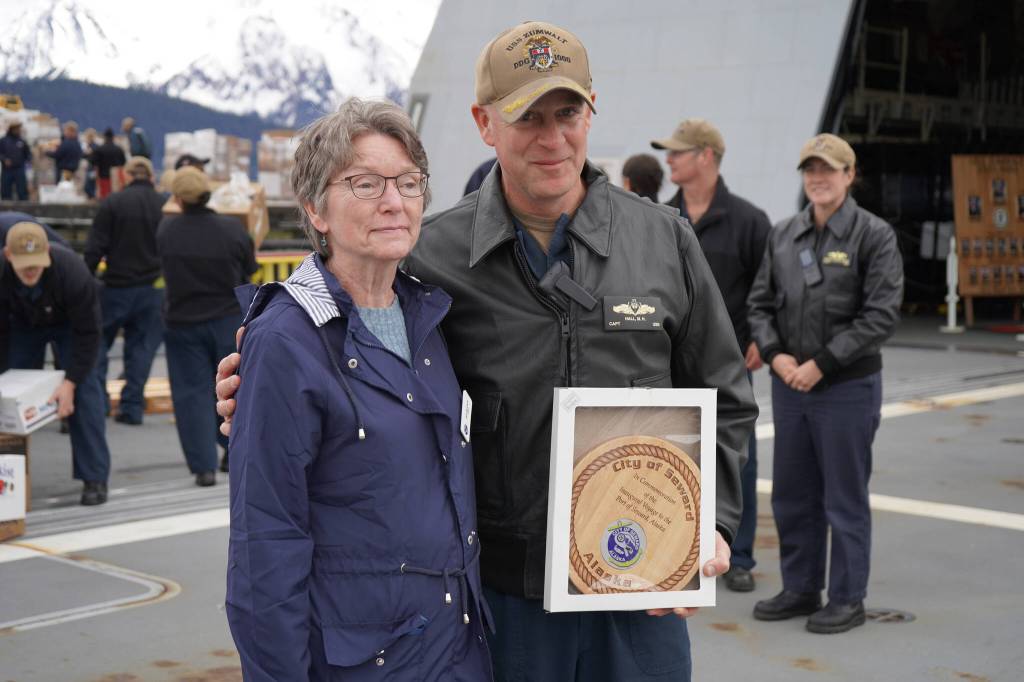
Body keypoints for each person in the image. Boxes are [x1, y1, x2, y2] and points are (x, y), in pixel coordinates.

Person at [219, 21, 755, 682]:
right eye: (526, 116)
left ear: (593, 110)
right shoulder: (434, 254)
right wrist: (253, 377)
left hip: (644, 591)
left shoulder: (664, 240)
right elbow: (341, 329)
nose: (551, 137)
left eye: (568, 112)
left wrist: (717, 523)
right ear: (484, 123)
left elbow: (726, 393)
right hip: (511, 602)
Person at [224, 98, 492, 680]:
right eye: (365, 184)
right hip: (362, 663)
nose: (394, 202)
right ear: (315, 209)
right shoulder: (286, 341)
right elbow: (264, 543)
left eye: (408, 183)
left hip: (453, 649)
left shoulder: (430, 320)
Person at [747, 133, 903, 634]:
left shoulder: (874, 236)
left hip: (845, 389)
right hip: (791, 386)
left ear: (849, 175)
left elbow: (880, 317)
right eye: (810, 169)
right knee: (792, 494)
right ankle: (800, 587)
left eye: (829, 169)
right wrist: (776, 355)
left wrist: (822, 364)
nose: (818, 178)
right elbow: (760, 304)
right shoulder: (783, 233)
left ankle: (847, 598)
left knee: (843, 497)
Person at [651, 118, 771, 593]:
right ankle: (675, 545)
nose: (669, 159)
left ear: (706, 156)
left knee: (739, 456)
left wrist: (764, 337)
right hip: (671, 364)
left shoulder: (749, 221)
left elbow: (769, 285)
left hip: (730, 365)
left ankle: (738, 556)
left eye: (678, 152)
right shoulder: (659, 218)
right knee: (671, 456)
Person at [157, 167, 257, 486]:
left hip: (183, 320)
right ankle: (233, 450)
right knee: (232, 386)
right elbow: (249, 269)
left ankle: (203, 467)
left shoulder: (166, 231)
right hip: (227, 318)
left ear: (177, 198)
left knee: (191, 394)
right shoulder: (231, 229)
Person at [0, 222, 112, 506]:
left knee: (86, 392)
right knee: (7, 396)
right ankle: (11, 479)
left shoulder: (72, 272)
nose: (30, 271)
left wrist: (70, 382)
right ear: (8, 255)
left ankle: (94, 478)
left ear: (47, 252)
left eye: (36, 264)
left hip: (71, 326)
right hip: (23, 325)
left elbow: (89, 333)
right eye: (23, 264)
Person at [84, 156, 165, 425]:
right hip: (152, 288)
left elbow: (95, 246)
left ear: (126, 176)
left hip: (116, 288)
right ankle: (132, 408)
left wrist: (87, 278)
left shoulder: (112, 203)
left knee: (98, 345)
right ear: (150, 176)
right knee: (140, 350)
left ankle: (99, 403)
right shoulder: (163, 204)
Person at [89, 128, 127, 200]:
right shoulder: (118, 149)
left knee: (104, 197)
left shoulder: (99, 149)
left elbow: (92, 162)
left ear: (104, 137)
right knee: (115, 197)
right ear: (113, 137)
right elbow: (123, 163)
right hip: (116, 178)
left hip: (103, 176)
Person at [0, 122, 31, 201]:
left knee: (22, 190)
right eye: (17, 129)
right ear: (12, 129)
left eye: (19, 129)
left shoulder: (22, 141)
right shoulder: (3, 141)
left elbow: (28, 154)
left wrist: (28, 162)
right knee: (6, 190)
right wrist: (4, 159)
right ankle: (6, 209)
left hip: (19, 169)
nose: (18, 130)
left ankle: (24, 207)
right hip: (7, 170)